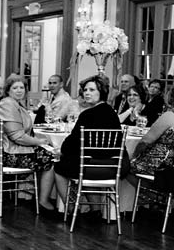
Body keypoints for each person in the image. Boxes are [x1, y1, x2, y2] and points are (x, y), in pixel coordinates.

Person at [52, 75, 122, 216]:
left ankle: (71, 209)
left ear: (101, 91)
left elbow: (71, 143)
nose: (87, 93)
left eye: (91, 90)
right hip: (111, 167)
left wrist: (62, 150)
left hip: (89, 167)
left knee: (58, 168)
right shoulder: (112, 113)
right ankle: (95, 210)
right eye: (85, 90)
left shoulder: (87, 114)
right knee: (79, 162)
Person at [0, 74, 58, 217]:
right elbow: (17, 136)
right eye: (15, 88)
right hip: (2, 154)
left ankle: (38, 197)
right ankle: (43, 201)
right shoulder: (8, 104)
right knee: (51, 158)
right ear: (8, 90)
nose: (19, 90)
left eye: (22, 87)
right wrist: (40, 142)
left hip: (8, 150)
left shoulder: (15, 104)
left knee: (47, 153)